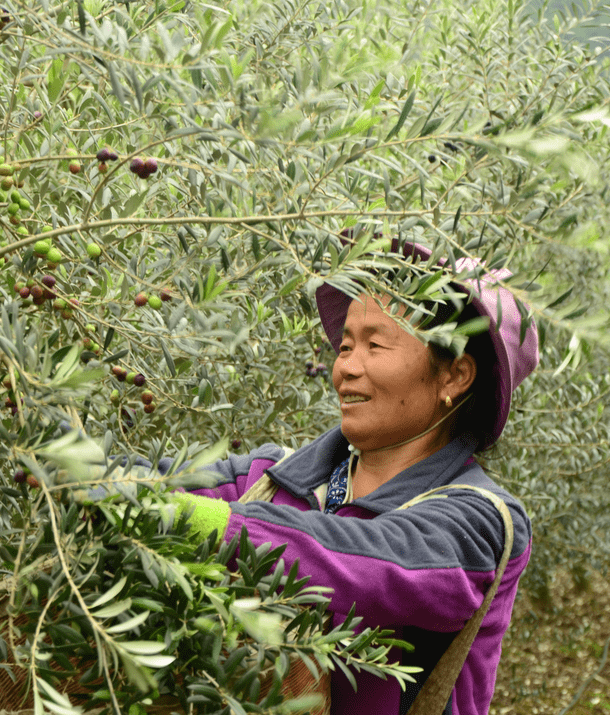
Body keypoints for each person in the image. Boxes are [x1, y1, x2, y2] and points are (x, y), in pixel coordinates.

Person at [166, 241, 538, 715]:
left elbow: (375, 563)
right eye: (344, 345)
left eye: (375, 345)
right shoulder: (274, 477)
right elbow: (163, 481)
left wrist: (213, 524)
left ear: (454, 376)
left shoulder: (479, 521)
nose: (345, 367)